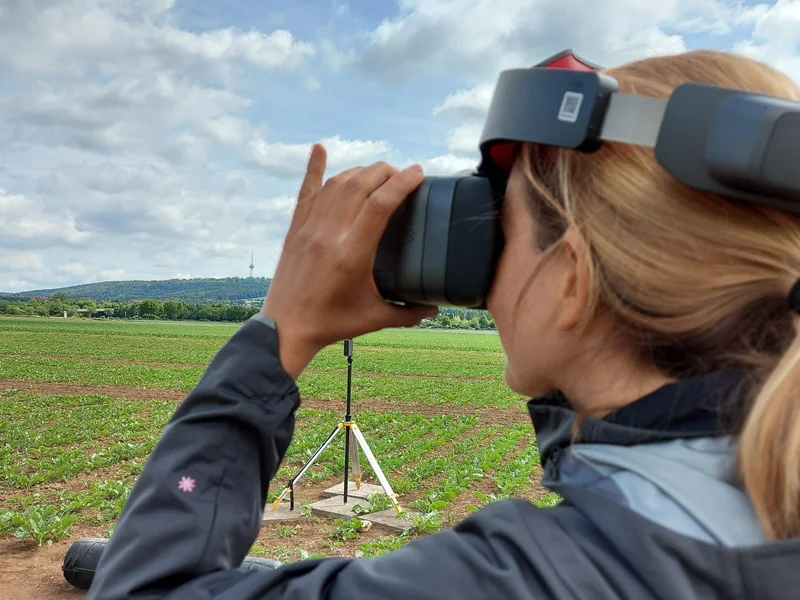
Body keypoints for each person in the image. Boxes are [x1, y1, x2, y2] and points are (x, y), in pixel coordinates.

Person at [86, 49, 800, 600]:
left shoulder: (529, 579)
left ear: (571, 281)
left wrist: (282, 329)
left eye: (502, 229)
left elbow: (146, 588)